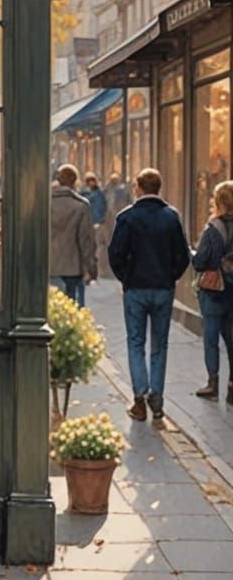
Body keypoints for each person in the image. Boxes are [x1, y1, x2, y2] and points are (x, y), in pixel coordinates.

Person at [107, 167, 191, 424]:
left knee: (135, 342)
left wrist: (126, 277)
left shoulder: (127, 217)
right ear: (159, 188)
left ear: (138, 188)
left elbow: (115, 254)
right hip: (163, 288)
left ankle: (139, 398)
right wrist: (171, 276)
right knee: (159, 345)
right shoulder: (171, 217)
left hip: (135, 289)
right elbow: (183, 255)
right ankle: (157, 398)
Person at [190, 180, 233, 402]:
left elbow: (200, 262)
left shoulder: (213, 228)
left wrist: (192, 253)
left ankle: (213, 382)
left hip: (214, 291)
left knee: (211, 337)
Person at [50, 164, 98, 306]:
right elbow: (86, 240)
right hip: (73, 267)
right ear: (75, 181)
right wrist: (91, 267)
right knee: (74, 311)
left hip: (49, 266)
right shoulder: (81, 206)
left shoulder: (45, 203)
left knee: (51, 310)